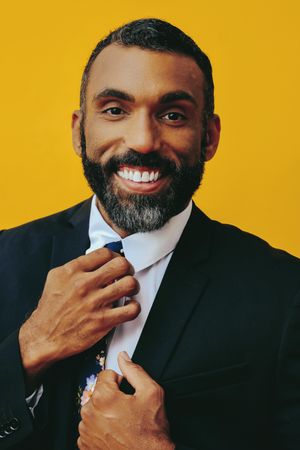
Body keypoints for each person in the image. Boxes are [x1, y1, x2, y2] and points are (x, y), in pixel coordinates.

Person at [0, 17, 300, 450]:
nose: (142, 140)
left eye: (173, 114)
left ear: (209, 137)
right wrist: (30, 348)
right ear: (79, 131)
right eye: (115, 110)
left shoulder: (284, 294)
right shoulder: (5, 261)